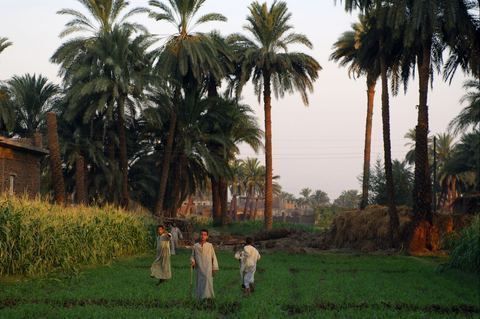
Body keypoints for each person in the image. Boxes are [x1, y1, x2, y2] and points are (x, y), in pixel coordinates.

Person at [190, 229, 219, 300]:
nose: (203, 236)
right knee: (199, 283)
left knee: (207, 282)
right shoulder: (196, 246)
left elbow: (213, 257)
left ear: (207, 237)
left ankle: (208, 298)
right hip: (199, 268)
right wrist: (193, 261)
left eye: (205, 235)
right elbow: (192, 256)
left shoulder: (209, 245)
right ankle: (200, 298)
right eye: (201, 234)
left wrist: (214, 268)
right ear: (199, 235)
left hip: (208, 268)